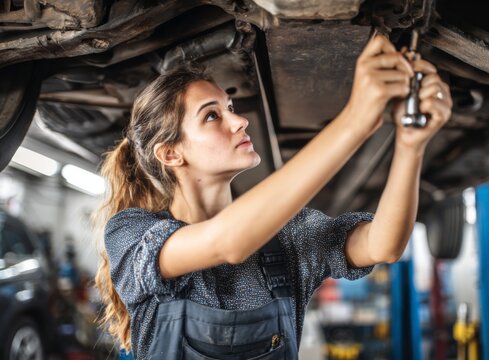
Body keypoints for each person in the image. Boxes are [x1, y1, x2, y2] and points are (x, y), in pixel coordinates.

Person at [94, 33, 452, 360]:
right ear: (171, 154)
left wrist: (410, 146)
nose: (239, 122)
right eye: (212, 116)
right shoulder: (131, 233)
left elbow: (383, 245)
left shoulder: (287, 235)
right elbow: (228, 242)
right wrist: (355, 121)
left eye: (230, 108)